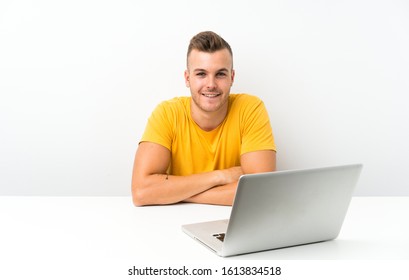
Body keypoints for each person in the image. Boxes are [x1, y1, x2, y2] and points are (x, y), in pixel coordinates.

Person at [132, 31, 276, 206]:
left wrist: (176, 193)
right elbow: (141, 192)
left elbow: (261, 192)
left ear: (232, 77)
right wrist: (220, 176)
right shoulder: (167, 114)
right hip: (172, 222)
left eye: (220, 74)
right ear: (187, 78)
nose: (211, 84)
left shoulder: (250, 109)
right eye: (201, 74)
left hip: (230, 223)